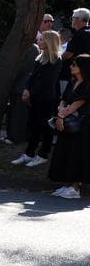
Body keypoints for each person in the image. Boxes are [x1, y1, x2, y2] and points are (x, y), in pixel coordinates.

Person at [15, 31, 62, 167]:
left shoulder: (55, 60)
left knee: (45, 126)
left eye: (41, 40)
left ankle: (43, 154)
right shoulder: (40, 57)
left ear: (49, 42)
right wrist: (26, 89)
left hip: (46, 98)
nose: (38, 42)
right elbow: (32, 76)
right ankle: (29, 153)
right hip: (34, 97)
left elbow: (47, 81)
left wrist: (30, 92)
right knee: (33, 125)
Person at [47, 54, 89, 199]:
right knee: (64, 152)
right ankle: (66, 185)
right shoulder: (72, 82)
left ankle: (75, 187)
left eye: (74, 65)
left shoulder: (87, 85)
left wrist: (61, 116)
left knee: (76, 155)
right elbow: (64, 100)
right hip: (67, 123)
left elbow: (77, 104)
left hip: (81, 125)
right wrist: (60, 112)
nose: (71, 67)